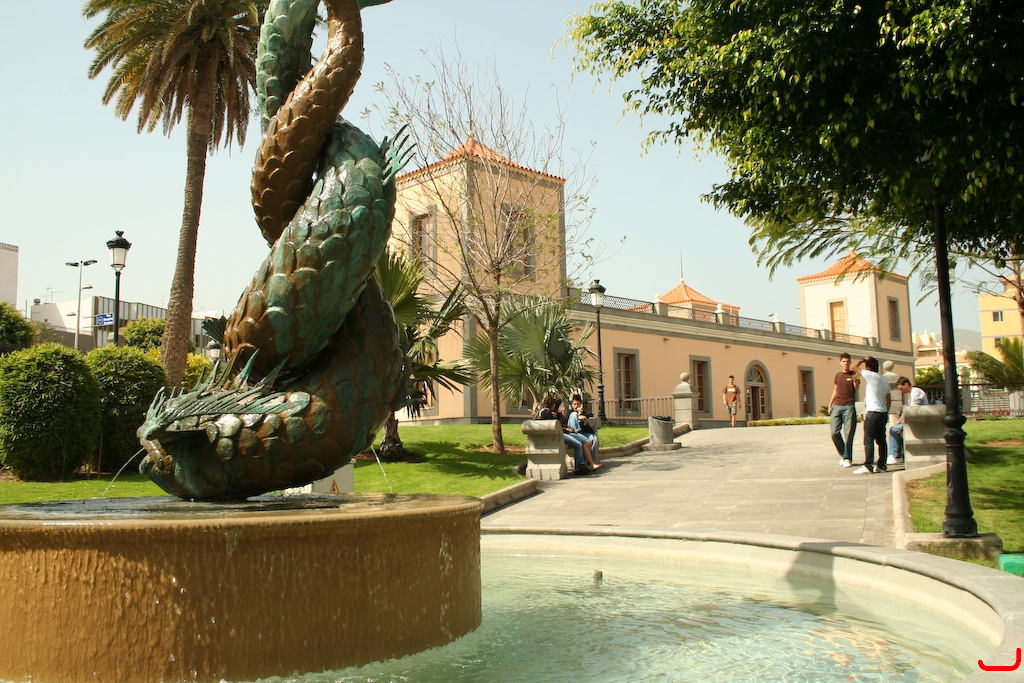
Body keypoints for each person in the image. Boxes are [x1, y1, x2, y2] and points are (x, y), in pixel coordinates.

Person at [538, 394, 600, 474]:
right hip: (559, 435)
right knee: (578, 444)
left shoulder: (550, 412)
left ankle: (583, 465)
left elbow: (559, 424)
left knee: (586, 441)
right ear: (552, 404)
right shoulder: (546, 412)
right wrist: (567, 429)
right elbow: (555, 426)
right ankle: (579, 467)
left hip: (561, 433)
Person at [852, 356, 891, 474]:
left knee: (868, 440)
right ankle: (881, 465)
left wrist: (863, 359)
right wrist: (886, 411)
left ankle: (868, 465)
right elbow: (889, 399)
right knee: (881, 440)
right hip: (882, 412)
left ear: (868, 367)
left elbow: (854, 367)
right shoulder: (884, 380)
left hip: (873, 412)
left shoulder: (871, 375)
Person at [828, 352, 860, 467]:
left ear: (850, 362)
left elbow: (857, 387)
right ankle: (843, 454)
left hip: (849, 406)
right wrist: (830, 404)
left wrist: (855, 380)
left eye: (847, 361)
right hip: (837, 405)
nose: (846, 363)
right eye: (844, 361)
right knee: (834, 433)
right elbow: (836, 390)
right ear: (840, 362)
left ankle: (847, 458)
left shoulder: (855, 374)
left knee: (849, 434)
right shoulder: (838, 375)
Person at [888, 377, 928, 462]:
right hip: (915, 420)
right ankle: (896, 454)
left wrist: (903, 420)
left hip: (917, 421)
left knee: (894, 430)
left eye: (901, 389)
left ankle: (896, 455)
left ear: (906, 384)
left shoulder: (915, 392)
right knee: (895, 429)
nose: (901, 392)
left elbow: (913, 410)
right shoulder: (913, 393)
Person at [568, 394, 599, 463]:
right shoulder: (570, 413)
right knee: (574, 414)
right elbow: (569, 424)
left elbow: (591, 426)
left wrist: (585, 418)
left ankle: (589, 460)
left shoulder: (584, 413)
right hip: (574, 432)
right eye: (574, 404)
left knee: (594, 439)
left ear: (581, 404)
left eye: (578, 404)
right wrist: (578, 414)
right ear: (572, 405)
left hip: (584, 433)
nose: (576, 406)